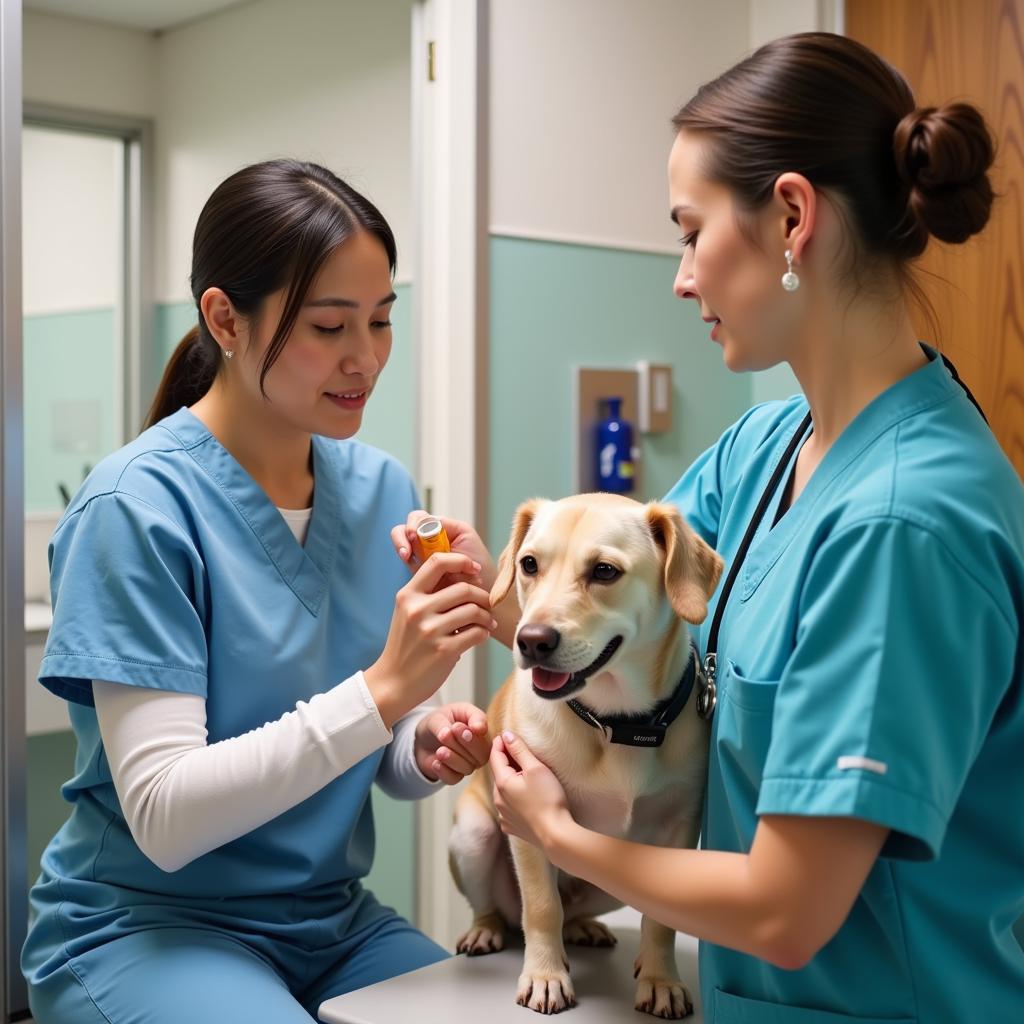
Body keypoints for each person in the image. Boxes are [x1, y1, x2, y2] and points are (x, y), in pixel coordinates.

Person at [449, 32, 1023, 1023]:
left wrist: (556, 833)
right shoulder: (764, 451)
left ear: (792, 216)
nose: (680, 276)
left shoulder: (900, 524)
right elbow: (606, 614)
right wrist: (491, 585)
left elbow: (788, 909)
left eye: (688, 229)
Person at [21, 159, 497, 1023]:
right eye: (329, 325)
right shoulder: (136, 508)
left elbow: (361, 739)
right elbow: (165, 816)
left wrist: (419, 742)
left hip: (331, 923)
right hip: (147, 927)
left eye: (383, 321)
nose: (367, 358)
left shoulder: (383, 489)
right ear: (224, 318)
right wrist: (386, 689)